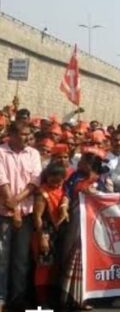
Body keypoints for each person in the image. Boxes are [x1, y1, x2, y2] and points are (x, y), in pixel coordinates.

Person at [62, 147, 111, 310]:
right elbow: (66, 192)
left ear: (89, 164)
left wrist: (96, 193)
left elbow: (109, 197)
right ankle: (69, 296)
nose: (79, 163)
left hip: (94, 225)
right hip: (76, 222)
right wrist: (64, 206)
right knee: (73, 255)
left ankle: (86, 297)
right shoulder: (75, 177)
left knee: (90, 259)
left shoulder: (102, 179)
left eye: (82, 161)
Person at [0, 121, 42, 311]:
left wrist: (16, 202)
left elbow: (35, 181)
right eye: (23, 134)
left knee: (21, 258)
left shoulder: (33, 154)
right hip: (3, 213)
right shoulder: (1, 152)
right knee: (2, 257)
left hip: (25, 214)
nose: (27, 137)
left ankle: (17, 297)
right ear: (12, 134)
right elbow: (2, 181)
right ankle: (1, 297)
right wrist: (11, 205)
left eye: (29, 134)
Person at [32, 162, 69, 308]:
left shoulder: (61, 188)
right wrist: (42, 237)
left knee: (54, 267)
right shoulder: (42, 193)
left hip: (58, 232)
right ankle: (41, 302)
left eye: (59, 179)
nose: (56, 182)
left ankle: (51, 299)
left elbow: (66, 197)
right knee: (43, 267)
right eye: (52, 178)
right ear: (47, 176)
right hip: (45, 232)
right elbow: (37, 217)